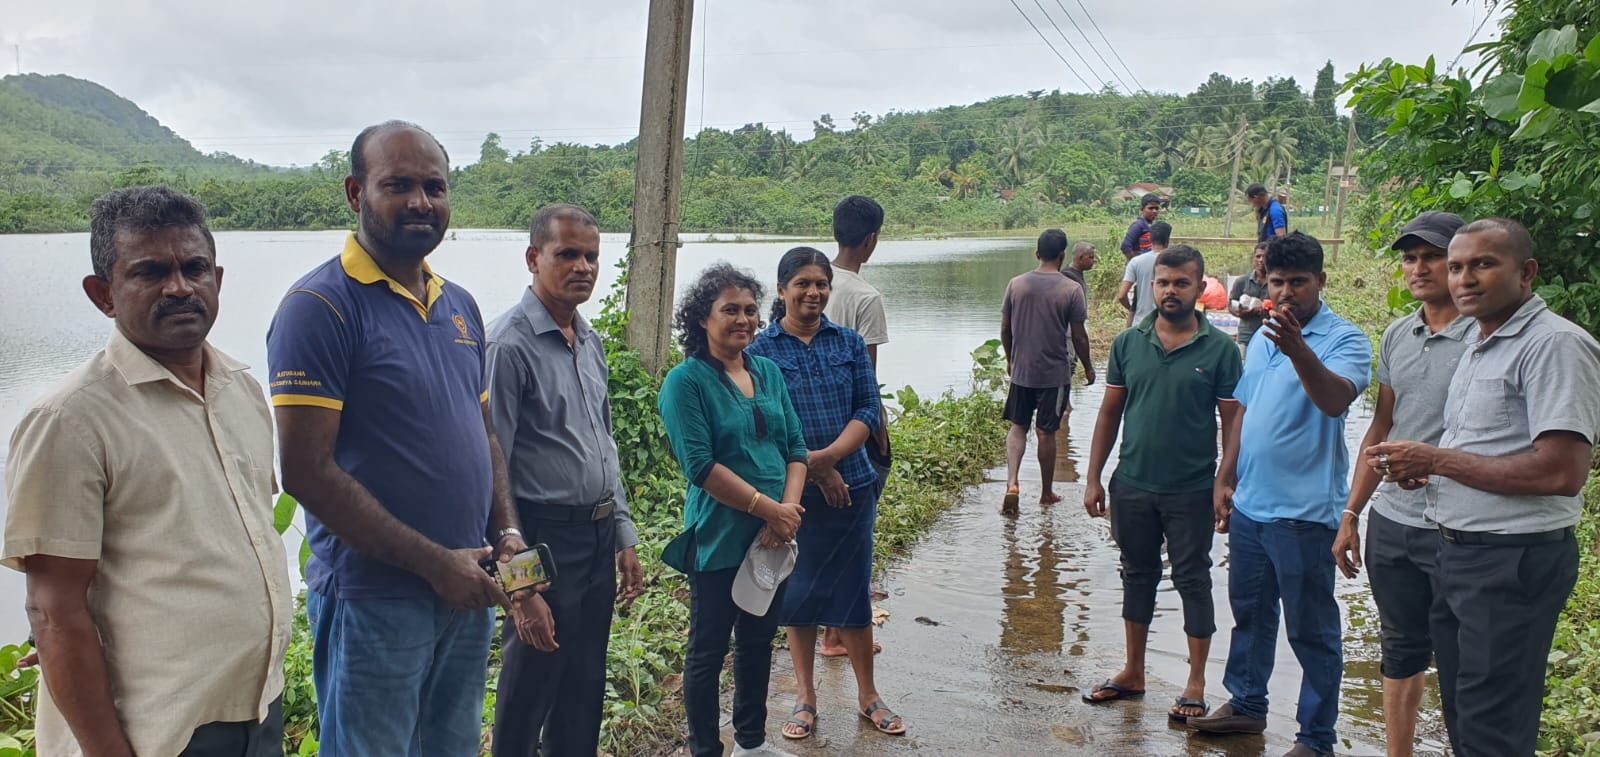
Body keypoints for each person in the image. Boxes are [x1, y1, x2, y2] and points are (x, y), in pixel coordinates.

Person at [2, 186, 291, 757]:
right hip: (159, 732)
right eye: (150, 272)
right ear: (103, 294)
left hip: (260, 711)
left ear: (218, 281)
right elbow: (54, 611)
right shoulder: (70, 420)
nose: (179, 287)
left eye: (194, 268)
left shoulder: (242, 390)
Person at [267, 121, 521, 755]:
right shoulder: (320, 307)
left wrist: (507, 534)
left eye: (434, 186)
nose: (420, 202)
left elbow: (482, 431)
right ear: (355, 193)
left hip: (468, 587)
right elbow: (304, 471)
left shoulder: (459, 303)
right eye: (398, 185)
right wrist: (435, 565)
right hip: (375, 599)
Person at [1364, 218, 1600, 757]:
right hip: (1458, 553)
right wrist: (1428, 467)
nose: (1465, 278)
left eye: (1484, 264)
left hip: (1511, 561)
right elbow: (1485, 452)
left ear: (1527, 273)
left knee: (1494, 724)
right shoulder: (1480, 344)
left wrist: (1439, 460)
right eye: (1458, 267)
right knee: (1466, 714)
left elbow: (1561, 471)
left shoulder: (1555, 346)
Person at [1191, 232, 1372, 757]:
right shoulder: (1264, 335)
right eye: (1278, 282)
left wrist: (1299, 349)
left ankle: (1315, 740)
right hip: (1251, 506)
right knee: (1250, 613)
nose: (1287, 291)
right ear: (1264, 281)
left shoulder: (1345, 338)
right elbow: (1244, 410)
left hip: (1304, 513)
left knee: (1311, 630)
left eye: (1298, 282)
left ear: (1321, 281)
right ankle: (1247, 707)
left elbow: (1336, 401)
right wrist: (1225, 478)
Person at [485, 205, 645, 757]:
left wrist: (622, 533)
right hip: (543, 537)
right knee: (530, 684)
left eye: (592, 256)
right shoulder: (507, 345)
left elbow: (604, 442)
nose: (583, 266)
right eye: (568, 254)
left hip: (596, 537)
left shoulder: (588, 341)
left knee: (583, 685)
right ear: (534, 258)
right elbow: (491, 466)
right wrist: (519, 585)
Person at [1081, 245, 1243, 724]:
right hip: (1131, 483)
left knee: (1193, 578)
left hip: (1191, 488)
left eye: (1181, 283)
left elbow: (1233, 421)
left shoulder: (1220, 350)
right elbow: (1110, 413)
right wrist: (1093, 476)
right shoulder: (1128, 343)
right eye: (1163, 283)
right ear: (1152, 286)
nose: (1171, 291)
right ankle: (1133, 671)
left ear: (1200, 286)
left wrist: (1224, 480)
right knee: (1137, 573)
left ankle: (1195, 683)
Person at [748, 248, 904, 741]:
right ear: (781, 290)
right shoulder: (761, 351)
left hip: (853, 487)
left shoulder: (849, 342)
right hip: (792, 497)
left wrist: (831, 458)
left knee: (853, 589)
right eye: (802, 284)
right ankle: (805, 698)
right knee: (799, 592)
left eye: (820, 284)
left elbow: (866, 405)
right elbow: (765, 423)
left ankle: (868, 696)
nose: (813, 292)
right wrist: (812, 471)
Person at [1330, 211, 1469, 757]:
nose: (1419, 267)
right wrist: (1351, 513)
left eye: (1431, 256)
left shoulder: (1487, 336)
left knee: (1462, 654)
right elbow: (1383, 426)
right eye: (1410, 258)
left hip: (1460, 524)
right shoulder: (1397, 333)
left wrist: (1435, 463)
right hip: (1394, 521)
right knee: (1401, 646)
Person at [658, 264, 809, 757]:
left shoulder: (767, 371)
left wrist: (785, 513)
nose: (742, 319)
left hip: (773, 537)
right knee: (707, 651)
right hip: (719, 536)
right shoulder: (686, 383)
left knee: (758, 642)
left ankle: (751, 743)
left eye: (749, 310)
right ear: (702, 317)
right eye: (729, 310)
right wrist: (770, 510)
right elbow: (700, 466)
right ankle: (706, 749)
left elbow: (796, 449)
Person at [821, 194, 890, 659]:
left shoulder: (804, 277)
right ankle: (835, 632)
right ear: (871, 241)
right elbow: (867, 379)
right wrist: (879, 437)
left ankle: (843, 610)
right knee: (852, 524)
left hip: (810, 422)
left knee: (824, 524)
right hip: (850, 429)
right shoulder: (865, 297)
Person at [1000, 229, 1094, 515]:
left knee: (1018, 426)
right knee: (1046, 432)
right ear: (1063, 255)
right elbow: (1079, 336)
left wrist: (1010, 359)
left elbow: (1005, 329)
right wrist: (1088, 367)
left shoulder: (1016, 285)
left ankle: (1013, 482)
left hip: (1022, 371)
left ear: (1037, 253)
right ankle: (1046, 492)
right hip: (1054, 374)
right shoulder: (1071, 289)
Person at [1119, 221, 1170, 327]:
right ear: (1168, 239)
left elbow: (1121, 295)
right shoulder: (1176, 261)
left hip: (1141, 323)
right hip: (1168, 324)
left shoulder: (1136, 262)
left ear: (1150, 239)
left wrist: (1133, 309)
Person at [1229, 242, 1271, 351]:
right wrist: (1240, 313)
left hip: (1270, 337)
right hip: (1246, 337)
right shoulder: (1242, 281)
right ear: (1254, 258)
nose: (1261, 260)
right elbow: (1230, 305)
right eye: (1258, 256)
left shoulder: (1277, 282)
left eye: (1265, 256)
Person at [1120, 192, 1161, 260]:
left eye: (1156, 208)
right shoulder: (1138, 225)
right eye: (1150, 208)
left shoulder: (1153, 226)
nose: (1154, 211)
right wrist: (1135, 263)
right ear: (1142, 209)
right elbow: (1125, 246)